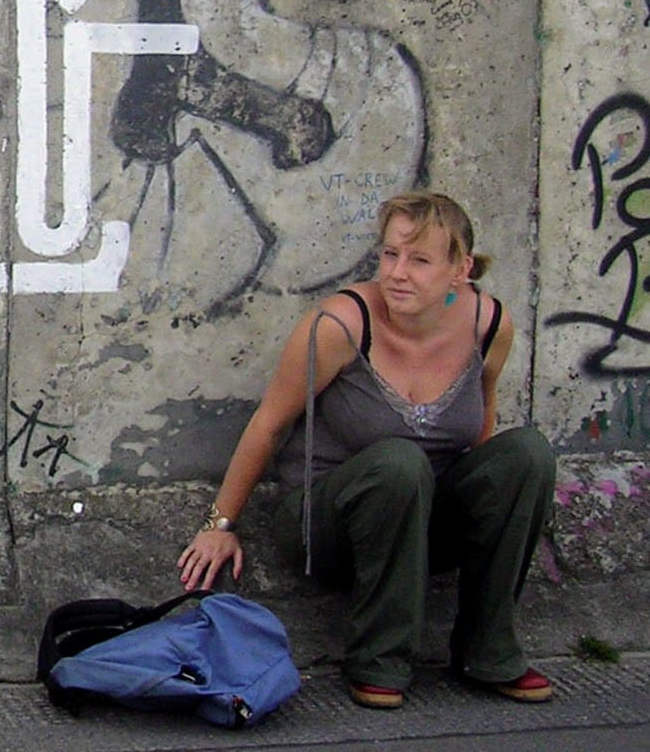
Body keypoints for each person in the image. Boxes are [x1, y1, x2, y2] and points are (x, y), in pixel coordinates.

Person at [175, 191, 556, 710]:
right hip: (330, 518)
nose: (397, 273)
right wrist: (220, 525)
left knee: (527, 454)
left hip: (422, 516)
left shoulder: (489, 325)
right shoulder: (340, 324)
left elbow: (482, 430)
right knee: (400, 462)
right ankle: (380, 659)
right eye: (390, 255)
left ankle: (488, 650)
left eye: (419, 260)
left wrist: (489, 508)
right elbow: (269, 424)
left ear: (460, 269)